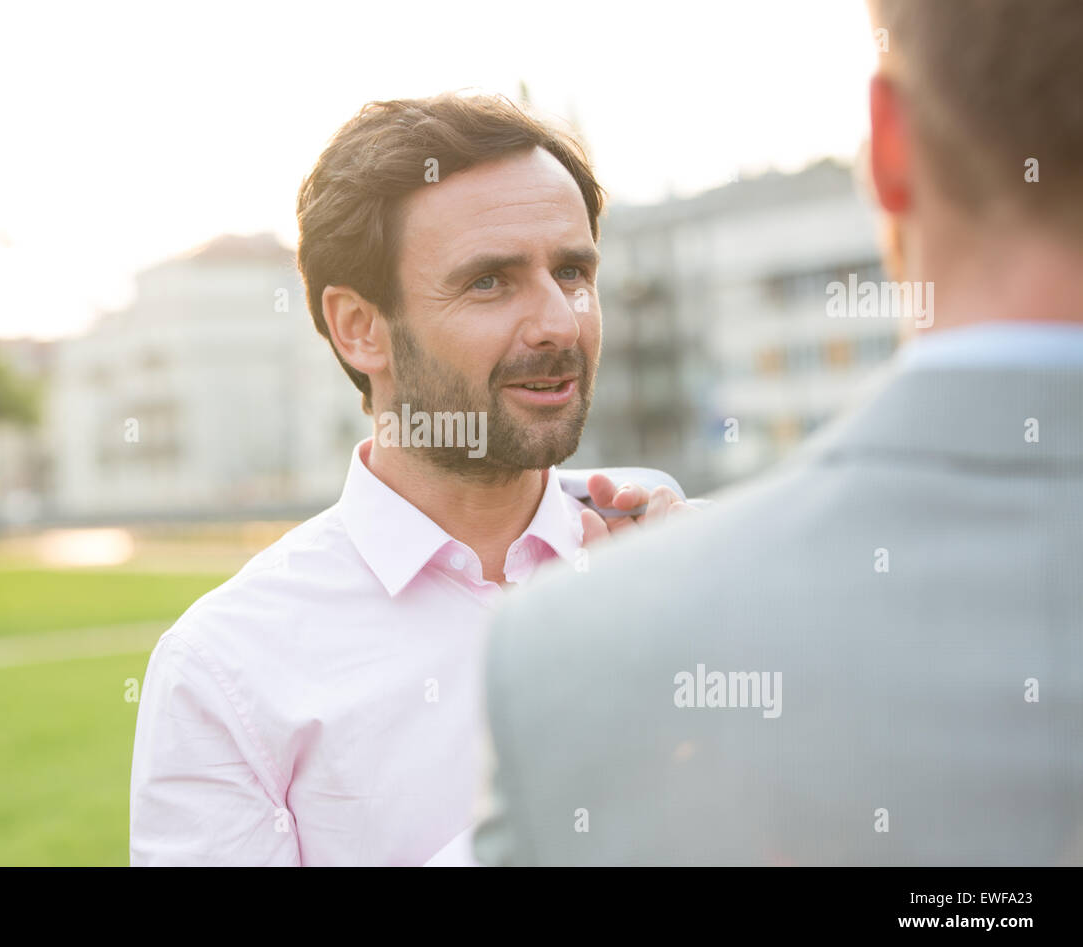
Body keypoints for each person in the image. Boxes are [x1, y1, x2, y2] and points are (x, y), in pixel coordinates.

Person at [473, 0, 1083, 865]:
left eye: (574, 271)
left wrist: (674, 600)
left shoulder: (574, 648)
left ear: (890, 141)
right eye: (491, 280)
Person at [129, 93, 695, 865]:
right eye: (490, 282)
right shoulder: (223, 668)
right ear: (360, 327)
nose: (559, 323)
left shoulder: (671, 557)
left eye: (572, 272)